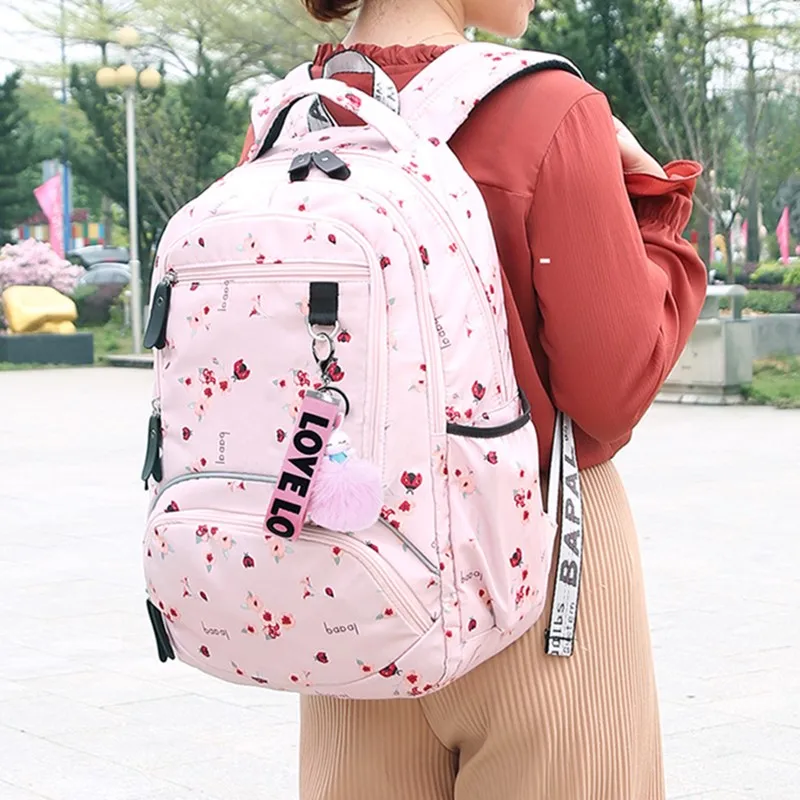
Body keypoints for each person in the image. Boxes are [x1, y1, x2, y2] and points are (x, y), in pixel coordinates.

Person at [238, 1, 707, 798]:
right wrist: (656, 214)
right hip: (538, 563)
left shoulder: (285, 122)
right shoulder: (548, 108)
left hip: (354, 560)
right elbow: (610, 391)